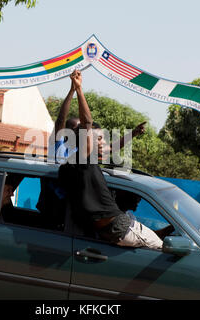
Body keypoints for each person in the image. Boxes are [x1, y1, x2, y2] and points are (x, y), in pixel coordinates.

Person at [58, 70, 165, 250]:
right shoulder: (82, 162)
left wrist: (133, 133)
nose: (102, 142)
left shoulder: (71, 166)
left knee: (160, 235)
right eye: (97, 138)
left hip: (113, 228)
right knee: (164, 248)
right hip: (119, 227)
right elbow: (87, 123)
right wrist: (78, 90)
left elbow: (111, 147)